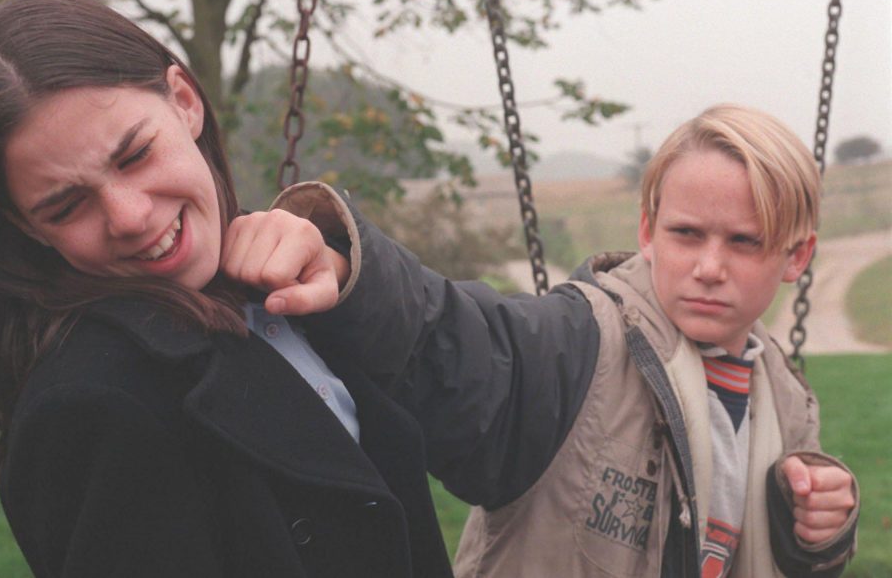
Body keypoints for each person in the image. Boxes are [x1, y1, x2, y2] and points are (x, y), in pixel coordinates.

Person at [0, 0, 453, 578]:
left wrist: (344, 271)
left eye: (134, 155)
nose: (130, 216)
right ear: (25, 228)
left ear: (183, 101)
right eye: (66, 206)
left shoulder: (275, 282)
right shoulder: (89, 410)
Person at [269, 104, 860, 577]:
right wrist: (349, 273)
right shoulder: (575, 348)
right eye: (687, 233)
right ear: (649, 231)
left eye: (744, 241)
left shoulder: (785, 400)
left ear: (796, 255)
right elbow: (449, 337)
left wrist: (817, 531)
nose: (710, 265)